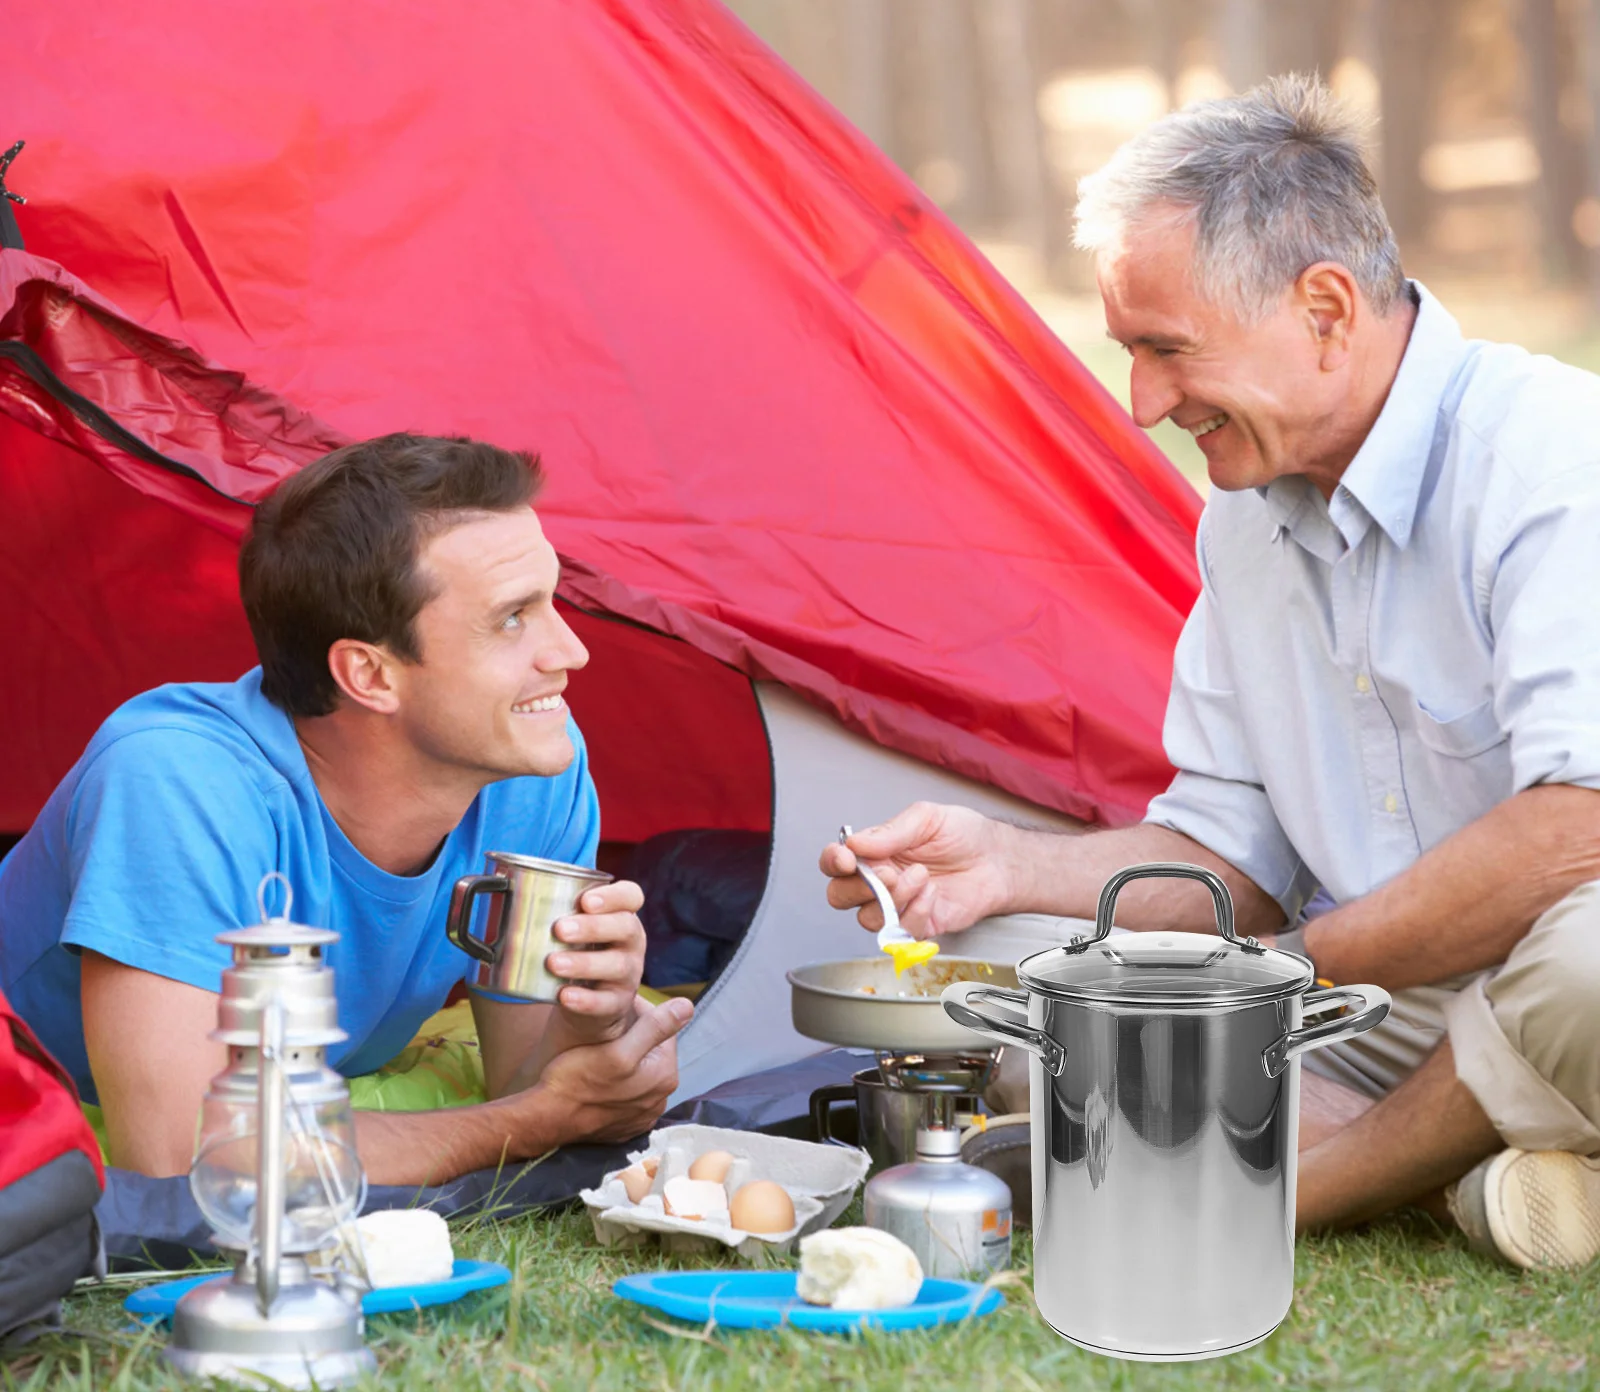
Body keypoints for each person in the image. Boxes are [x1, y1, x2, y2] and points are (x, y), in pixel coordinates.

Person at [821, 75, 1600, 1271]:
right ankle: (1482, 1164)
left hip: (1551, 970)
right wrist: (1004, 863)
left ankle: (1309, 1188)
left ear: (1327, 309)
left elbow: (1572, 833)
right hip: (1388, 1009)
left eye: (1165, 350)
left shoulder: (1551, 457)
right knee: (1044, 1015)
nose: (1141, 403)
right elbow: (1228, 859)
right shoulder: (1243, 520)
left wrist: (1278, 976)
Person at [0, 434, 692, 1185]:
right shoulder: (175, 781)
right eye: (512, 619)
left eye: (552, 600)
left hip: (295, 1089)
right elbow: (179, 1153)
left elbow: (530, 1080)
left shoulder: (529, 768)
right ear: (369, 672)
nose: (572, 651)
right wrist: (528, 1124)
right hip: (52, 1106)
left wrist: (590, 1027)